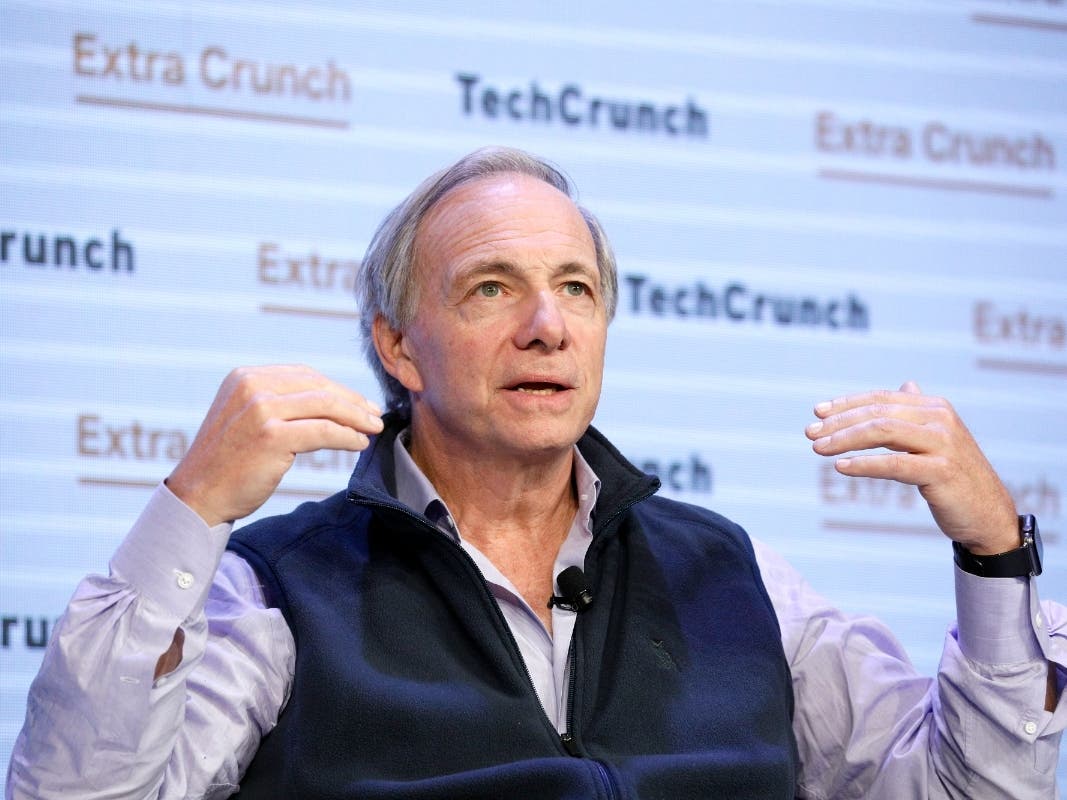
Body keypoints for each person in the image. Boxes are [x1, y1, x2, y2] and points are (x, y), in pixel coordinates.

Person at [6, 146, 1065, 799]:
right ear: (397, 346)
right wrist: (191, 509)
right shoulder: (276, 588)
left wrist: (992, 555)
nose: (547, 325)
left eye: (575, 288)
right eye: (490, 289)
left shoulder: (734, 576)